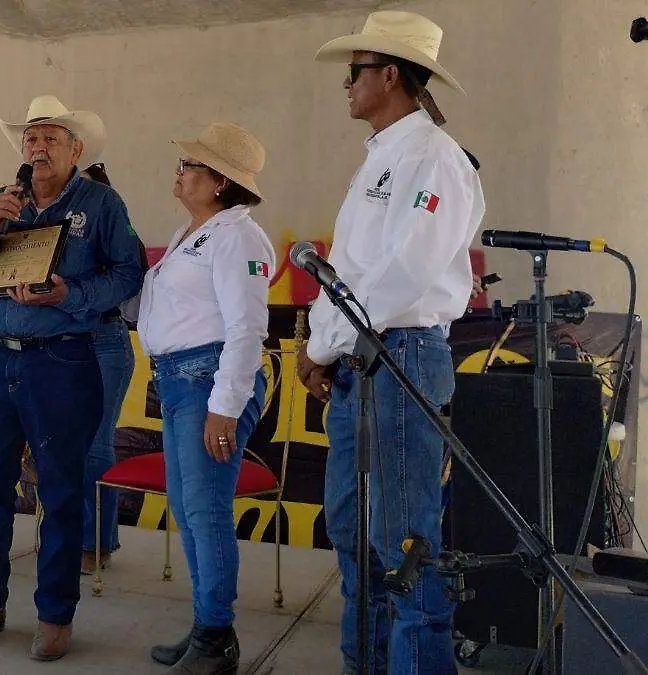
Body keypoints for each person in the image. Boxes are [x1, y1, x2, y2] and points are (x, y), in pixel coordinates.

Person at [299, 12, 485, 674]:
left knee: (404, 545)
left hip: (402, 358)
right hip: (363, 362)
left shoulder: (434, 157)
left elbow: (404, 274)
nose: (346, 83)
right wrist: (323, 342)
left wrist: (323, 343)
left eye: (355, 71)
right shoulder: (382, 158)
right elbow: (348, 274)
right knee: (354, 534)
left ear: (388, 76)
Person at [0, 95, 143, 661]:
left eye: (50, 137)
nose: (37, 147)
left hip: (62, 357)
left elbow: (129, 272)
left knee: (60, 486)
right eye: (31, 138)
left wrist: (70, 295)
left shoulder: (99, 203)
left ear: (76, 149)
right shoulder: (7, 201)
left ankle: (55, 614)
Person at [136, 123, 274, 674]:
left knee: (205, 512)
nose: (180, 173)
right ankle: (207, 629)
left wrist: (226, 406)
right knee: (191, 514)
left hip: (209, 381)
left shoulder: (237, 235)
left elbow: (246, 327)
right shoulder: (192, 234)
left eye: (190, 166)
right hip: (178, 381)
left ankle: (215, 639)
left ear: (219, 181)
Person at [78, 161, 140, 575]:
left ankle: (95, 542)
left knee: (96, 445)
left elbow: (130, 286)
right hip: (65, 343)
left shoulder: (118, 236)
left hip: (105, 340)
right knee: (71, 445)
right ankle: (82, 536)